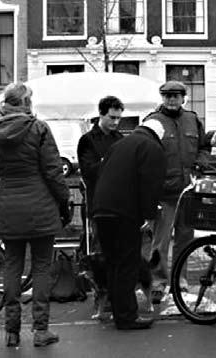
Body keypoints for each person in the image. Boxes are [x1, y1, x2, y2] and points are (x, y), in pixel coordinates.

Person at [0, 83, 71, 348]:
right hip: (41, 206)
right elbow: (53, 172)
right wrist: (64, 202)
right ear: (26, 103)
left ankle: (12, 331)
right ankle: (41, 329)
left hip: (9, 207)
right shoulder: (39, 129)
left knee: (12, 266)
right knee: (42, 267)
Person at [91, 118, 167, 330]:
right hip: (125, 212)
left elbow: (101, 172)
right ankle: (127, 316)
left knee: (113, 263)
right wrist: (149, 215)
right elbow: (150, 183)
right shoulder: (151, 148)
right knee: (128, 264)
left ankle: (117, 310)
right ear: (158, 136)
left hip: (102, 210)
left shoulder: (119, 144)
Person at [143, 80, 212, 304]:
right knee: (160, 241)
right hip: (163, 194)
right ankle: (157, 282)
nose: (172, 99)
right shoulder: (153, 121)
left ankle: (180, 280)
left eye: (176, 96)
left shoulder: (192, 120)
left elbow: (204, 146)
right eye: (168, 96)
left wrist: (200, 163)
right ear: (162, 98)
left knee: (185, 239)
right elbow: (144, 153)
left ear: (183, 98)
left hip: (188, 192)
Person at [76, 95, 124, 318]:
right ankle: (101, 299)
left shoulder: (119, 138)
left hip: (118, 202)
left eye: (119, 118)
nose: (116, 122)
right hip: (98, 203)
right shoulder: (88, 140)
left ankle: (116, 298)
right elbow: (88, 171)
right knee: (99, 255)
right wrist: (108, 163)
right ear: (101, 115)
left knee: (117, 252)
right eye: (112, 118)